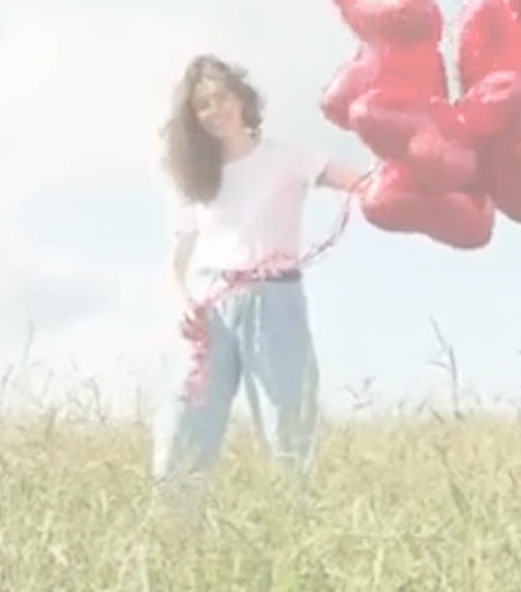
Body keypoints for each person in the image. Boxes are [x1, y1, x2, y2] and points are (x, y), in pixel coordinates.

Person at [152, 54, 367, 497]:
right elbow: (176, 262)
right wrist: (182, 305)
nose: (214, 110)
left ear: (241, 99)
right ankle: (171, 537)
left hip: (275, 302)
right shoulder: (195, 177)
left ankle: (293, 530)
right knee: (183, 423)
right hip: (210, 307)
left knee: (288, 424)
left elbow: (362, 183)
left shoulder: (288, 157)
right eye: (202, 105)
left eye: (220, 97)